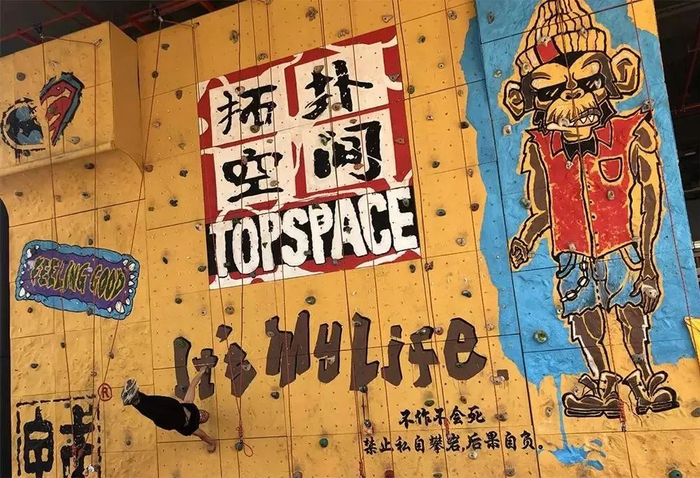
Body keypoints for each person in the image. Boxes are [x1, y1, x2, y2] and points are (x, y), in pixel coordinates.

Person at [121, 368, 217, 452]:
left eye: (204, 417)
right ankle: (135, 396)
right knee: (151, 400)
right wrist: (201, 372)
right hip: (172, 406)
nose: (203, 415)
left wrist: (212, 443)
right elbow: (192, 385)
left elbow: (204, 436)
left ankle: (135, 401)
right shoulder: (190, 404)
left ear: (201, 422)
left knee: (153, 412)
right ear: (200, 409)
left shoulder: (194, 428)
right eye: (204, 412)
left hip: (170, 420)